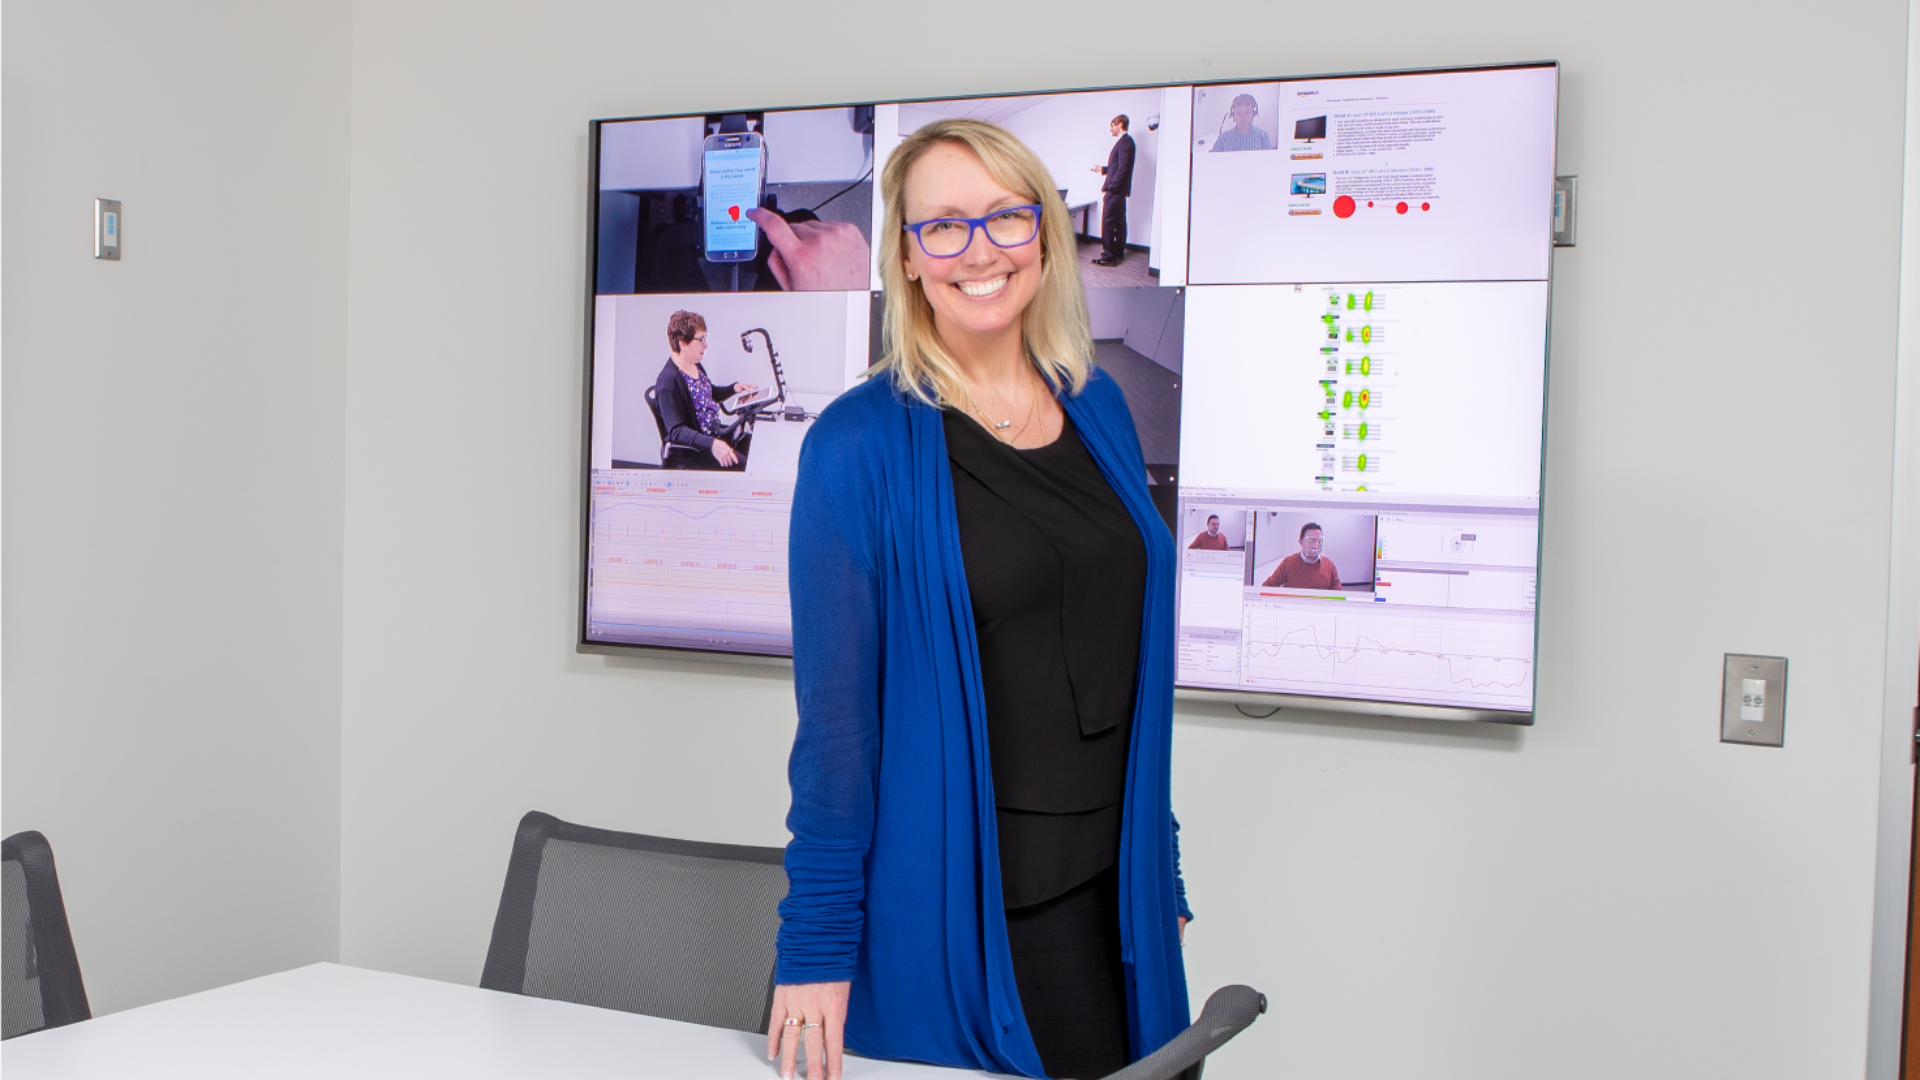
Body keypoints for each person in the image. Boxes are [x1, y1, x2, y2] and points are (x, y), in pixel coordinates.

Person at [772, 119, 1193, 1080]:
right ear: (909, 259)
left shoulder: (1098, 407)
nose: (980, 250)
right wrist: (816, 949)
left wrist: (1157, 869)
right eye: (944, 227)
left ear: (1045, 235)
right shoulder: (858, 448)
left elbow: (1121, 670)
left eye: (1007, 217)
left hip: (1114, 896)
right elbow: (836, 732)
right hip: (972, 914)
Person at [652, 310, 756, 470]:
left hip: (712, 436)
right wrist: (713, 445)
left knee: (755, 446)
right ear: (683, 343)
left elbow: (707, 393)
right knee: (746, 465)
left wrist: (735, 388)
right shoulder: (668, 381)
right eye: (700, 340)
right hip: (691, 454)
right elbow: (677, 431)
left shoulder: (694, 364)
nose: (705, 345)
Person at [1088, 114, 1135, 267]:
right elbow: (1117, 168)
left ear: (1120, 124)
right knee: (1119, 221)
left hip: (1115, 191)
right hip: (1119, 190)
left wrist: (1112, 187)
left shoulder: (1125, 143)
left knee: (1108, 221)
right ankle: (1117, 252)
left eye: (1113, 125)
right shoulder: (1125, 143)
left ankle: (1109, 257)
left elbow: (1123, 170)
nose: (1111, 129)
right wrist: (1103, 169)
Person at [1261, 521, 1341, 589]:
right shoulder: (1288, 563)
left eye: (1319, 541)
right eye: (1311, 540)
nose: (1316, 544)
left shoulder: (1329, 565)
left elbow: (1338, 594)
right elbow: (1268, 586)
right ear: (1300, 542)